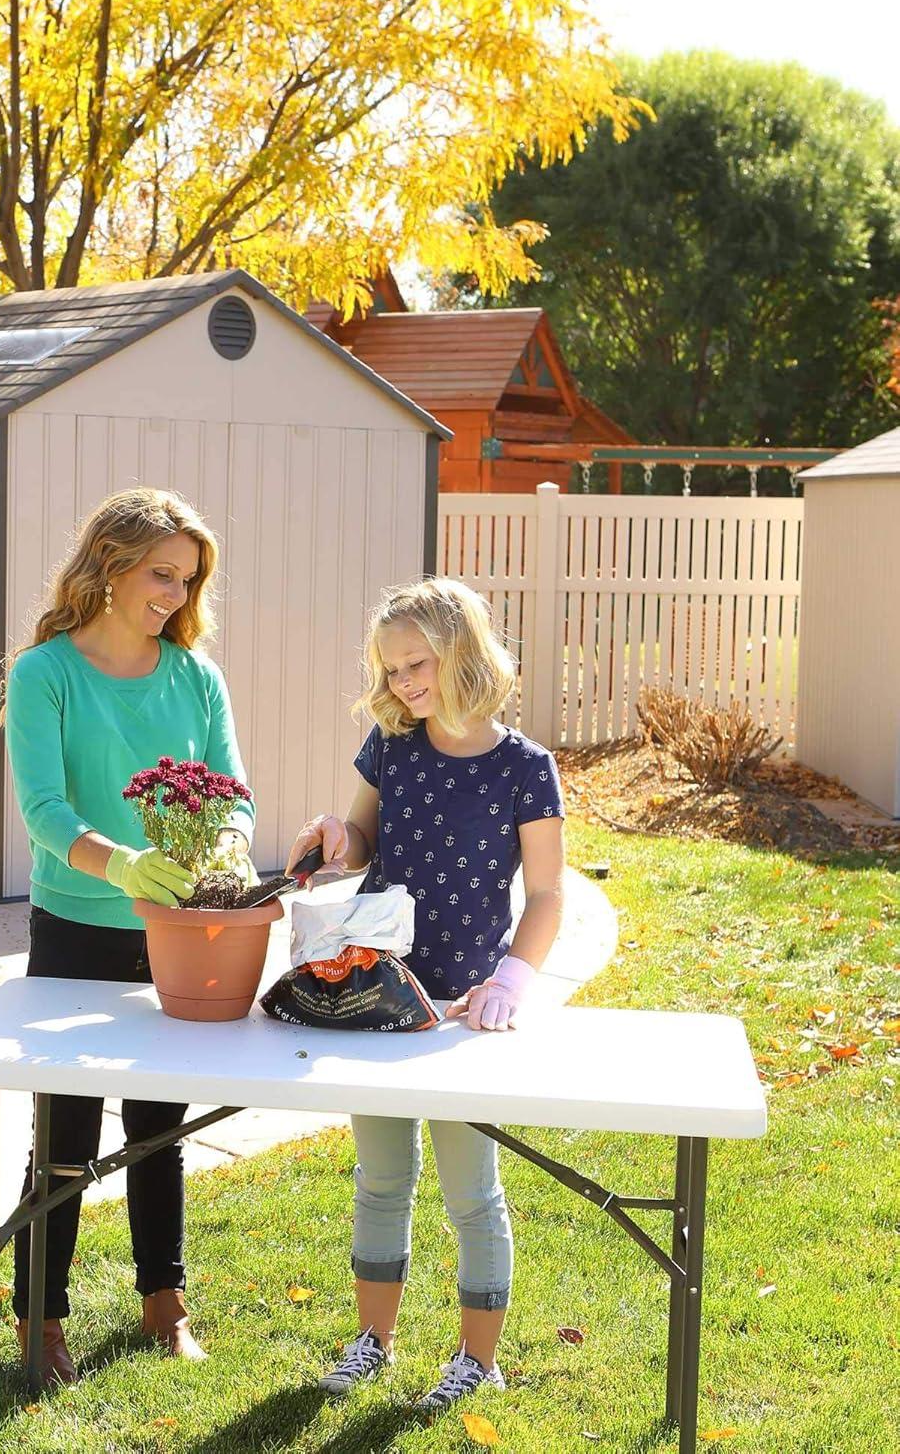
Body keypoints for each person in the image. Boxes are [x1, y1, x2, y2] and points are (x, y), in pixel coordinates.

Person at [284, 577, 565, 1411]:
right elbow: (362, 836)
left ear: (464, 652)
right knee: (380, 1182)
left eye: (418, 663)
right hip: (381, 996)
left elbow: (548, 895)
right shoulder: (391, 746)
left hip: (464, 1011)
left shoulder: (526, 768)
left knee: (472, 1191)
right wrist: (338, 837)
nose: (405, 682)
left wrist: (513, 978)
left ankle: (479, 1360)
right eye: (392, 669)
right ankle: (374, 1342)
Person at [0, 487, 255, 1385]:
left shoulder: (196, 678)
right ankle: (41, 1320)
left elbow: (233, 793)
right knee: (63, 1136)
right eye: (161, 574)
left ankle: (163, 1304)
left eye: (187, 580)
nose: (176, 596)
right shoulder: (44, 675)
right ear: (108, 565)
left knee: (159, 1127)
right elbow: (43, 810)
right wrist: (123, 866)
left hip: (180, 935)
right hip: (76, 928)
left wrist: (222, 845)